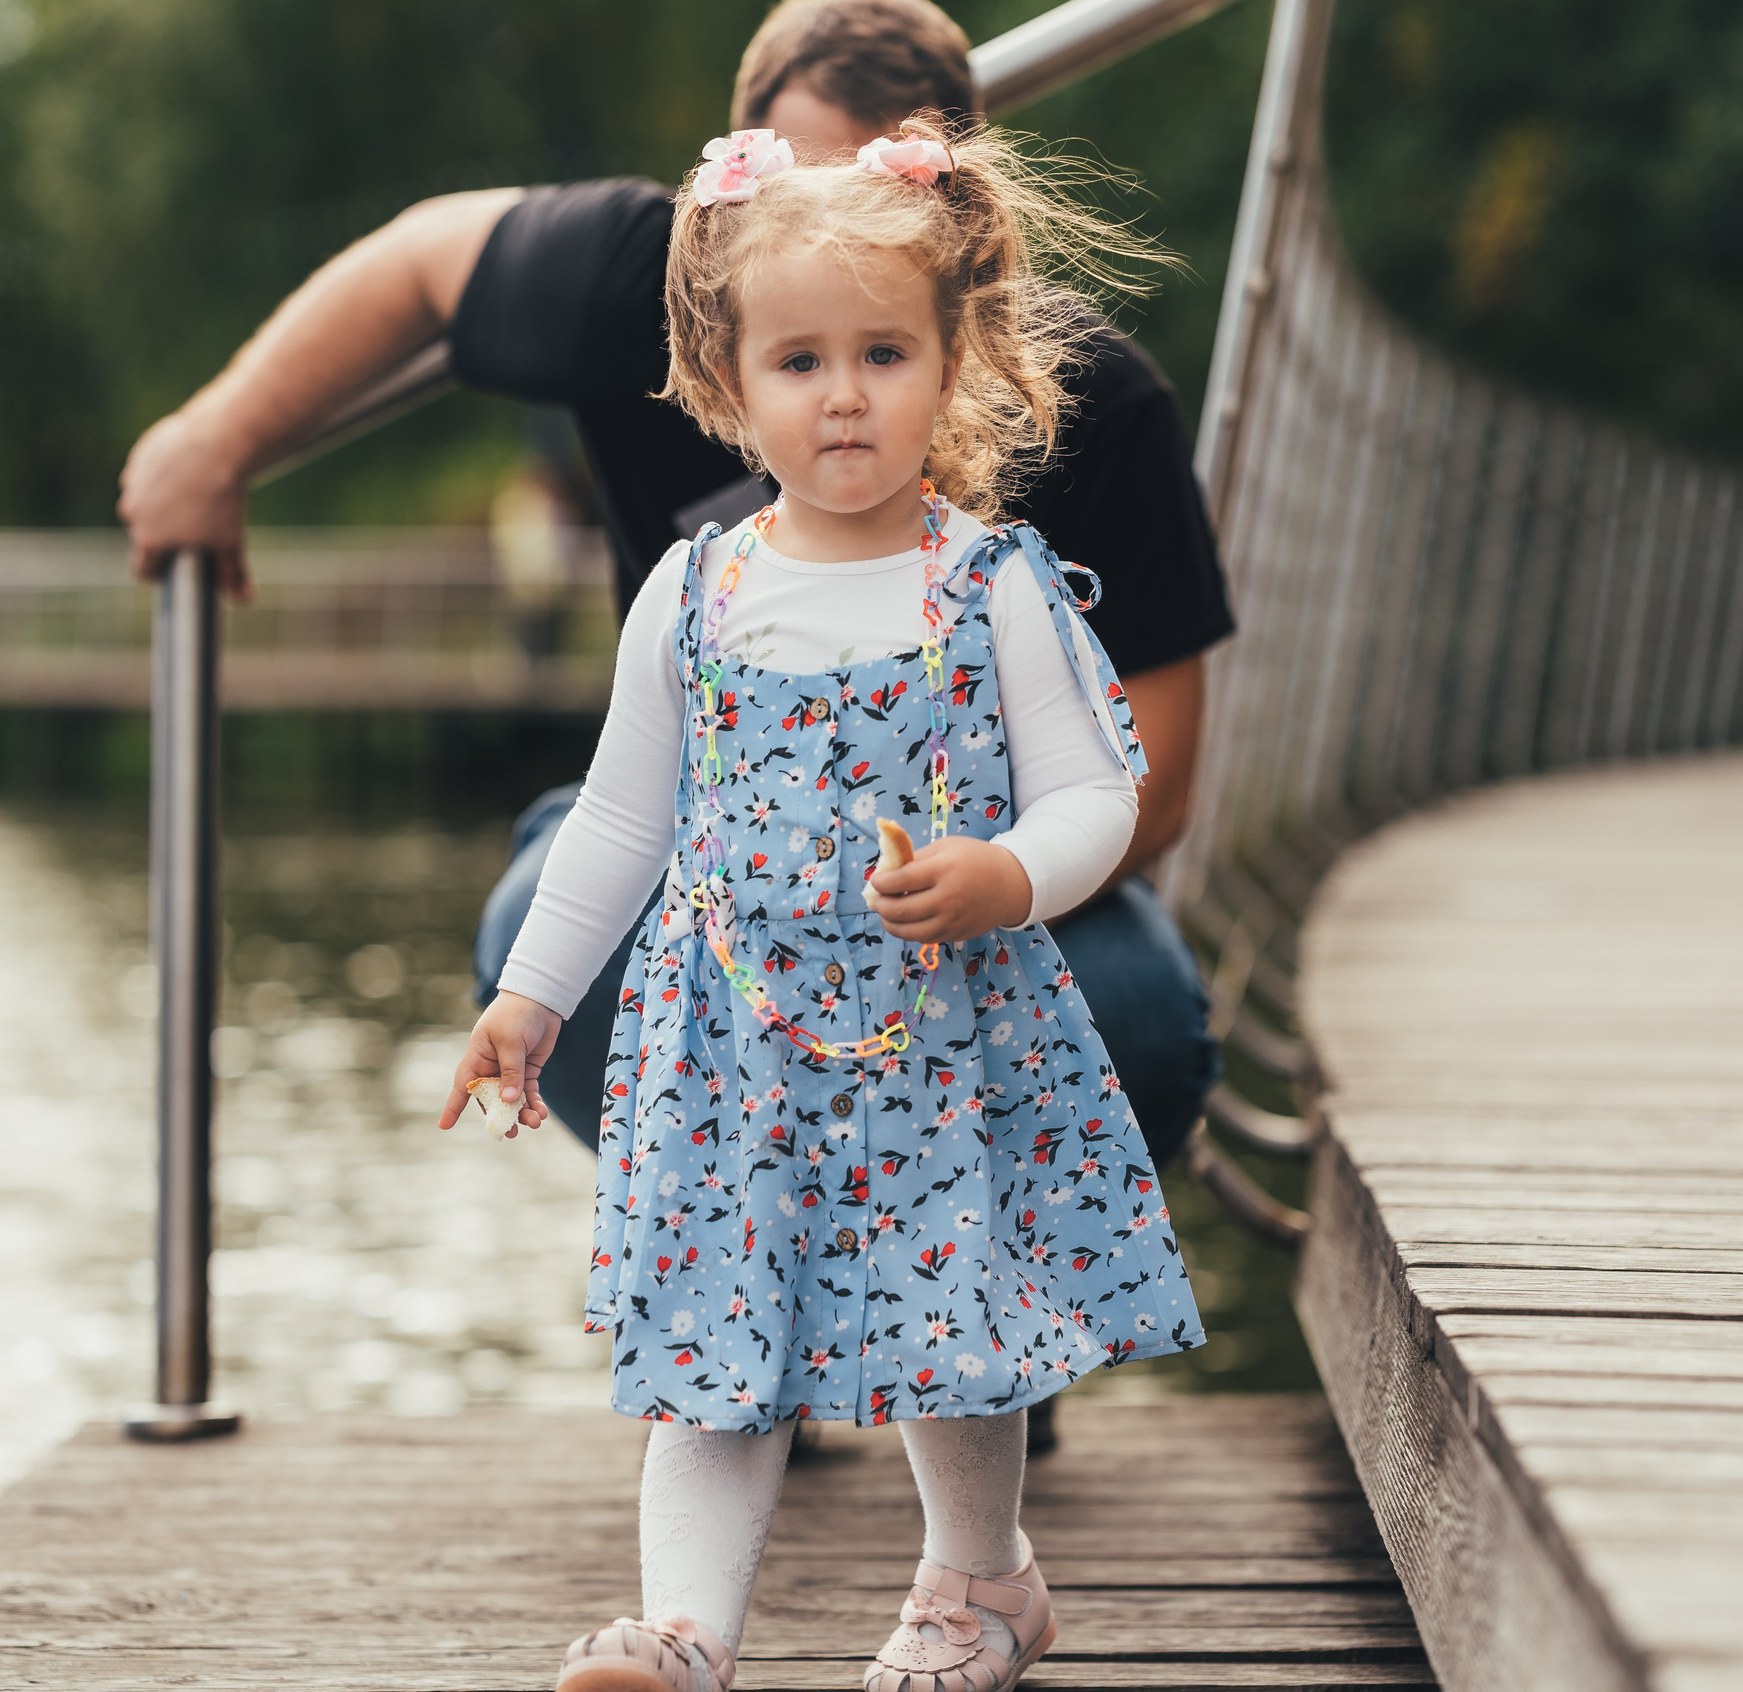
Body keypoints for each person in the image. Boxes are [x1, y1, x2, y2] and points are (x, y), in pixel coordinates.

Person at [116, 0, 1232, 1183]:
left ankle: (976, 1315)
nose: (833, 259)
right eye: (799, 197)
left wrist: (987, 889)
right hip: (710, 863)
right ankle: (741, 1236)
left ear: (961, 252)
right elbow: (419, 262)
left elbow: (1147, 784)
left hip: (978, 890)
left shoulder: (1089, 403)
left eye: (874, 207)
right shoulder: (633, 294)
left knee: (1144, 1030)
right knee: (554, 945)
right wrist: (215, 437)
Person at [439, 114, 1203, 1692]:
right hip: (731, 1047)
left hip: (941, 1029)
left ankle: (979, 1577)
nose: (842, 392)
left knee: (949, 1319)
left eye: (880, 352)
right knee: (716, 1356)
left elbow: (1096, 797)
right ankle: (686, 1630)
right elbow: (620, 822)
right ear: (730, 385)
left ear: (953, 363)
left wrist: (1005, 873)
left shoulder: (991, 583)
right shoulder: (696, 588)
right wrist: (530, 993)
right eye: (798, 361)